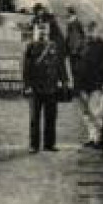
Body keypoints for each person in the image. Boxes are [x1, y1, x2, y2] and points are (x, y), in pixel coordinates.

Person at [23, 15, 63, 152]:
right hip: (35, 88)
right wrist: (27, 85)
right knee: (35, 118)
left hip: (51, 87)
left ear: (48, 32)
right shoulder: (31, 47)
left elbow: (59, 65)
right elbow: (26, 67)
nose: (42, 33)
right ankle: (34, 145)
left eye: (44, 30)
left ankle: (49, 144)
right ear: (36, 31)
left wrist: (63, 81)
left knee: (51, 117)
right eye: (39, 30)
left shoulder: (53, 46)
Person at [75, 23, 103, 149]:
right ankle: (92, 137)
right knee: (87, 113)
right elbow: (77, 63)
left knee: (97, 113)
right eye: (89, 31)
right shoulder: (83, 45)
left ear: (98, 32)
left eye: (93, 31)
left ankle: (98, 138)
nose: (90, 34)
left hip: (97, 84)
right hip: (84, 84)